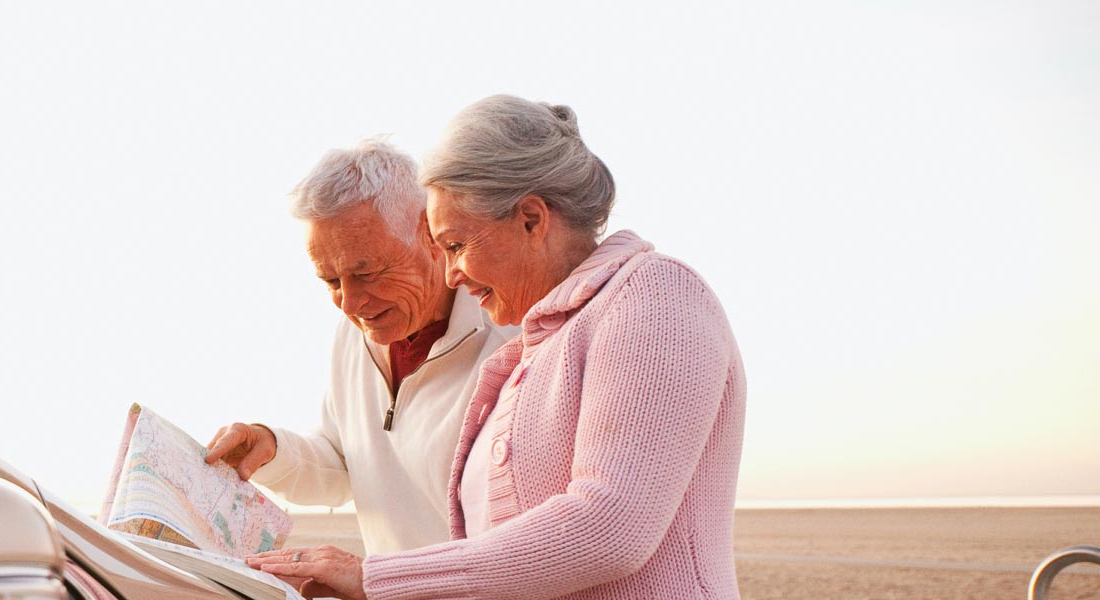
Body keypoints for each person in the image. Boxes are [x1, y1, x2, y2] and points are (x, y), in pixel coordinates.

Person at [247, 95, 747, 599]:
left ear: (532, 219)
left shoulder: (655, 294)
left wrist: (374, 579)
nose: (450, 273)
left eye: (458, 246)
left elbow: (610, 526)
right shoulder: (539, 342)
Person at [203, 137, 515, 556]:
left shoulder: (510, 337)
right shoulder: (355, 333)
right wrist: (271, 447)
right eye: (331, 281)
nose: (349, 303)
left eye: (366, 273)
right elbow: (343, 464)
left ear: (430, 233)